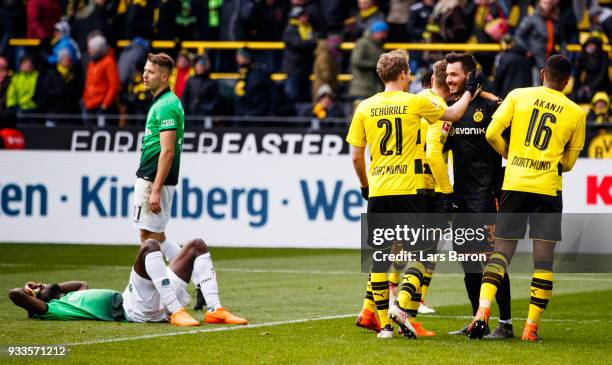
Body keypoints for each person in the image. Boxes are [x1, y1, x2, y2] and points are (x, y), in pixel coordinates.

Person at [347, 48, 479, 339]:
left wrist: (365, 187)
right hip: (412, 188)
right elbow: (454, 115)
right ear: (404, 74)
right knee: (421, 253)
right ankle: (404, 307)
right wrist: (471, 90)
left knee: (380, 258)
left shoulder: (364, 107)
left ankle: (382, 325)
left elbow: (356, 156)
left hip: (379, 189)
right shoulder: (416, 102)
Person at [467, 55, 586, 341]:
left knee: (501, 253)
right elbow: (568, 164)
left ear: (543, 73)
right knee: (543, 262)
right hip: (547, 188)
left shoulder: (518, 95)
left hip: (515, 183)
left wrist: (510, 155)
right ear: (567, 81)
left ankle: (483, 309)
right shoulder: (576, 112)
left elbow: (492, 133)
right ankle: (530, 328)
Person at [440, 52, 514, 339]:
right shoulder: (450, 110)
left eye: (454, 74)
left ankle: (505, 323)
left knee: (492, 262)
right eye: (447, 75)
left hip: (487, 198)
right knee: (469, 264)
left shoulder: (493, 106)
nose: (449, 79)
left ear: (470, 77)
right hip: (461, 199)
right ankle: (477, 321)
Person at [8, 238, 248, 325]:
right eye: (37, 290)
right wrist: (31, 293)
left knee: (196, 245)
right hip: (133, 308)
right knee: (149, 247)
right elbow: (14, 294)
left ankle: (215, 310)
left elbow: (80, 283)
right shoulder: (50, 310)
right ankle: (177, 311)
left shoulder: (70, 297)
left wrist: (54, 287)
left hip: (150, 300)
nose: (40, 285)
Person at [515, 0, 565, 85]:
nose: (548, 6)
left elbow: (562, 40)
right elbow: (518, 36)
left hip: (550, 60)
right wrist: (527, 50)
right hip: (535, 60)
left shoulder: (555, 20)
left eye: (550, 3)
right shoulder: (531, 19)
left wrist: (563, 55)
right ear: (539, 3)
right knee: (536, 86)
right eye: (545, 3)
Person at [82, 33, 120, 127]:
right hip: (89, 105)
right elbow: (88, 83)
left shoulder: (109, 62)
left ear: (98, 50)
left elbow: (113, 85)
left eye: (92, 49)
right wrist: (85, 99)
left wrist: (105, 104)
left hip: (102, 106)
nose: (89, 51)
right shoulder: (92, 62)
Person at [282, 6, 316, 104]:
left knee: (303, 95)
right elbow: (298, 44)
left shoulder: (307, 28)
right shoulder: (291, 29)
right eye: (303, 16)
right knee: (292, 95)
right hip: (293, 68)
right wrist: (312, 41)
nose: (306, 18)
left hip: (303, 68)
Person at [40, 49, 83, 125]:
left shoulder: (75, 73)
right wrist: (56, 92)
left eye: (67, 58)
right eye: (63, 58)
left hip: (70, 112)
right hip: (54, 111)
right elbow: (46, 90)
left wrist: (69, 92)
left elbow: (79, 89)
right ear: (59, 60)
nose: (66, 60)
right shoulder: (52, 73)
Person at [348, 21, 388, 102]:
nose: (384, 35)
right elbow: (356, 61)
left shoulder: (379, 45)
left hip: (373, 87)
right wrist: (375, 65)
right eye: (382, 32)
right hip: (361, 87)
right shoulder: (362, 43)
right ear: (375, 32)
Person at [573, 36, 610, 103]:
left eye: (592, 45)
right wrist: (575, 89)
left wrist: (590, 87)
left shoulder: (603, 56)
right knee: (577, 95)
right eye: (589, 45)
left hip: (601, 85)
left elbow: (603, 75)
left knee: (591, 96)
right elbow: (577, 74)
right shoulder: (583, 55)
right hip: (587, 83)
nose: (590, 47)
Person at [6, 54, 39, 123]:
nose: (27, 66)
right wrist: (11, 105)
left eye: (29, 64)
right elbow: (11, 93)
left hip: (34, 108)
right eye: (25, 64)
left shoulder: (37, 76)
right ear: (21, 65)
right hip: (20, 108)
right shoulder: (16, 77)